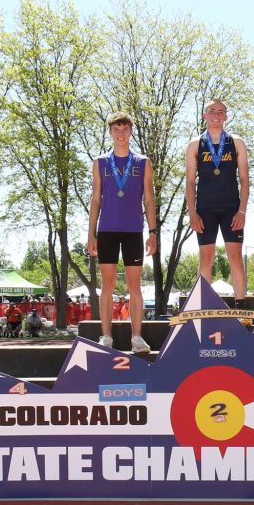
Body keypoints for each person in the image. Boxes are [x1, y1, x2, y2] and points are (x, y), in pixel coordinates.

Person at [87, 112, 157, 352]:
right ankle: (106, 337)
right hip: (107, 229)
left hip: (133, 230)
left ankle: (137, 338)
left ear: (131, 131)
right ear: (110, 132)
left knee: (134, 286)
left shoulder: (143, 162)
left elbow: (149, 199)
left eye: (124, 129)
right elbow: (96, 199)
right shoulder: (100, 162)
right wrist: (91, 233)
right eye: (116, 130)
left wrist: (153, 231)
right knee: (107, 286)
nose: (120, 134)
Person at [185, 99, 249, 307]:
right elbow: (190, 181)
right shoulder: (195, 144)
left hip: (232, 209)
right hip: (205, 209)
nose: (216, 115)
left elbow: (244, 179)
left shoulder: (236, 142)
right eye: (212, 111)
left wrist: (242, 211)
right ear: (204, 115)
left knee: (235, 258)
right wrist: (192, 213)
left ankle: (241, 307)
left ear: (226, 116)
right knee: (205, 259)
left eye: (221, 111)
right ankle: (203, 307)